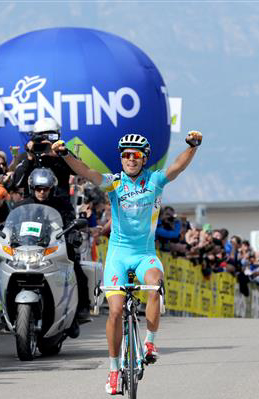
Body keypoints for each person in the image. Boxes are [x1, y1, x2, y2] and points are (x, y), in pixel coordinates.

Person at [51, 130, 203, 395]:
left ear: (144, 159)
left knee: (155, 284)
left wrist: (192, 147)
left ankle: (150, 344)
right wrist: (65, 154)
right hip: (118, 255)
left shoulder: (154, 181)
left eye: (136, 155)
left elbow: (177, 167)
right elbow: (86, 171)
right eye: (126, 155)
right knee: (116, 310)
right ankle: (112, 369)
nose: (130, 159)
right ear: (120, 158)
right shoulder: (114, 183)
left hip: (144, 254)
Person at [14, 168, 91, 322]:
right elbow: (11, 225)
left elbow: (71, 223)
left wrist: (73, 234)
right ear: (32, 188)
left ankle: (78, 312)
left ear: (52, 188)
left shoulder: (61, 204)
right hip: (28, 250)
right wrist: (6, 235)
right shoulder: (22, 206)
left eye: (45, 189)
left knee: (77, 273)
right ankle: (7, 308)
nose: (42, 192)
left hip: (55, 249)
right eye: (38, 188)